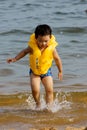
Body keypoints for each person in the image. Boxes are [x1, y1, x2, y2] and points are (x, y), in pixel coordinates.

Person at [7, 24, 63, 109]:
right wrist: (15, 59)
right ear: (36, 38)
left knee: (49, 90)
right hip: (34, 72)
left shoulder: (52, 48)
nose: (43, 43)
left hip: (46, 71)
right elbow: (24, 52)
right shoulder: (32, 47)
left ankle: (49, 107)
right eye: (40, 41)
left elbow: (57, 59)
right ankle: (38, 104)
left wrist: (60, 71)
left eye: (46, 41)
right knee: (35, 90)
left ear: (50, 38)